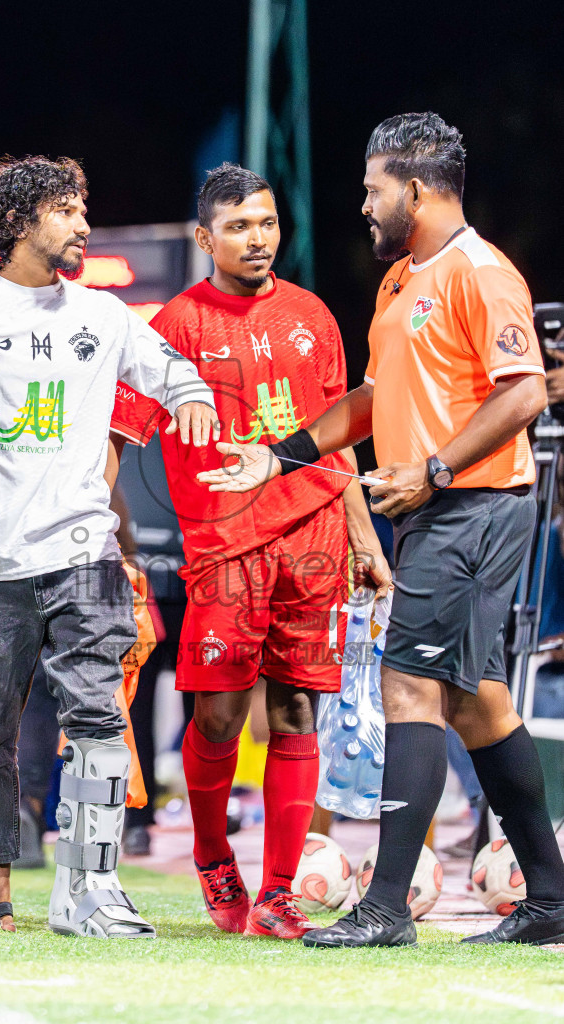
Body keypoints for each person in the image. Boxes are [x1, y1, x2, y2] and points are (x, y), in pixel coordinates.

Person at [199, 114, 564, 948]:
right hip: (434, 509)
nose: (362, 204)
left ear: (414, 188)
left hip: (470, 507)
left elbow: (524, 395)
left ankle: (385, 906)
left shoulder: (480, 272)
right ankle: (547, 898)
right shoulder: (400, 280)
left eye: (371, 189)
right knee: (477, 705)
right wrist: (280, 455)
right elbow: (370, 399)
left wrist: (433, 469)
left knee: (407, 687)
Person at [0, 155, 218, 937]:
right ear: (18, 222)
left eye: (82, 210)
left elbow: (168, 368)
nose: (82, 225)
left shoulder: (104, 316)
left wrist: (193, 394)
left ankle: (91, 888)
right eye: (67, 211)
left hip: (87, 556)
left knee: (100, 716)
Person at [110, 163, 391, 940]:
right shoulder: (171, 326)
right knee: (221, 713)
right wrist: (104, 530)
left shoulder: (312, 316)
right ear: (205, 238)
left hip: (311, 536)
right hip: (224, 545)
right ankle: (212, 861)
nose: (256, 238)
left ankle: (277, 893)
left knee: (297, 705)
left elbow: (338, 440)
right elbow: (119, 434)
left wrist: (364, 538)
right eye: (237, 226)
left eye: (265, 223)